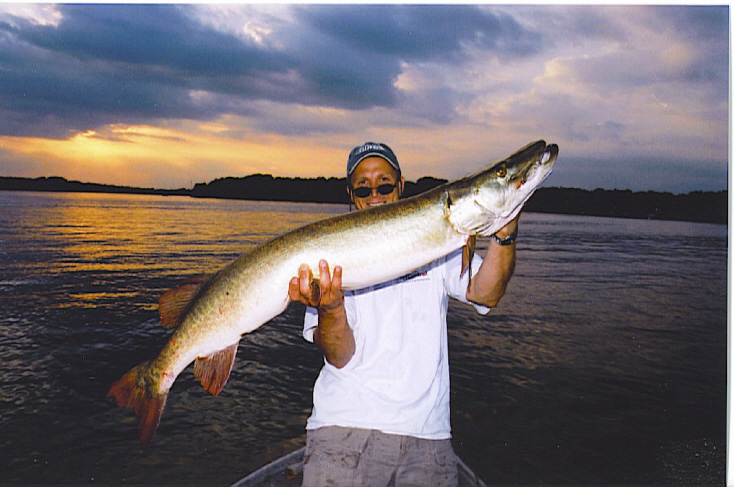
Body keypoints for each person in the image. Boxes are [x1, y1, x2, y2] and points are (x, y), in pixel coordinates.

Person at [288, 142, 518, 486]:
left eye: (384, 185)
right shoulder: (329, 257)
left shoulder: (440, 241)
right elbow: (339, 355)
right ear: (351, 194)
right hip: (344, 430)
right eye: (363, 188)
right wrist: (331, 307)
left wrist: (505, 233)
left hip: (427, 437)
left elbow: (486, 293)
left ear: (401, 185)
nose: (375, 194)